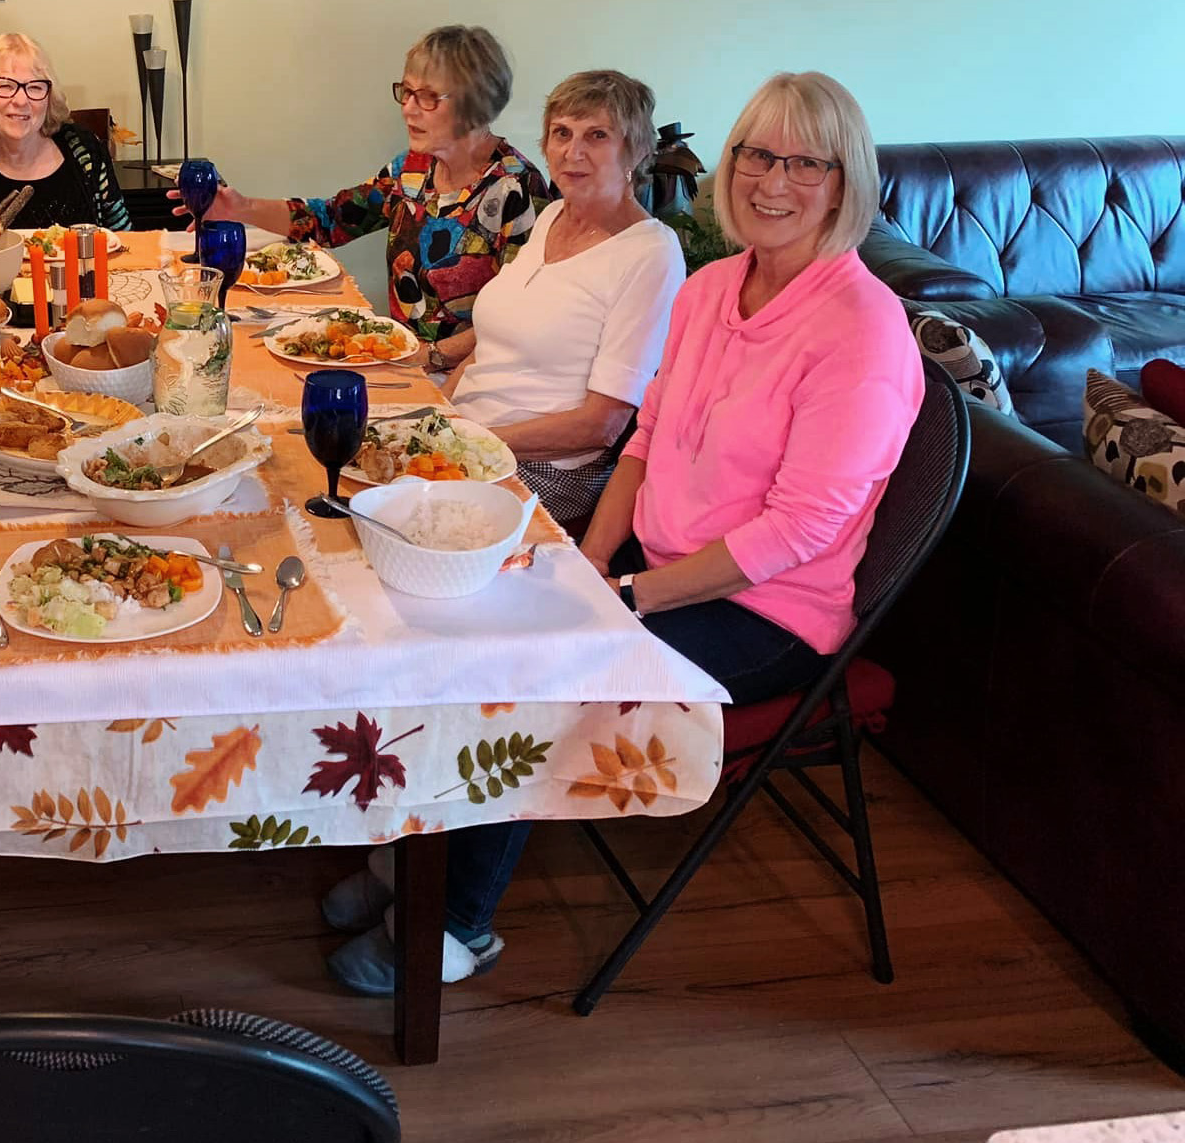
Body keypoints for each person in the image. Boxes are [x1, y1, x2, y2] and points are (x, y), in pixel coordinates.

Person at [322, 71, 926, 995]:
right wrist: (592, 559)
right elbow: (642, 442)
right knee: (470, 617)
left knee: (537, 669)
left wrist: (627, 599)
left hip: (767, 609)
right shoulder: (716, 288)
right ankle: (418, 849)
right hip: (651, 561)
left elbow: (799, 534)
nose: (773, 181)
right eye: (757, 154)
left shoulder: (863, 330)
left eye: (806, 163)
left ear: (845, 183)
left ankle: (457, 922)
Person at [184, 25, 545, 367]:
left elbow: (518, 316)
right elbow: (332, 220)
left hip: (468, 376)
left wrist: (432, 357)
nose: (408, 108)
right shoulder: (414, 169)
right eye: (406, 91)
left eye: (428, 97)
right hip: (404, 357)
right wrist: (240, 207)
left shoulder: (515, 188)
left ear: (475, 103)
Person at [444, 71, 685, 528]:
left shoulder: (650, 252)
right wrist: (440, 414)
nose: (572, 153)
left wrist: (470, 441)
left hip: (547, 469)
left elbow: (602, 425)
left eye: (597, 136)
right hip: (471, 433)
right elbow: (493, 345)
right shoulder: (553, 214)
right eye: (561, 133)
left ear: (634, 150)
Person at [0, 32, 132, 230]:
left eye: (35, 87)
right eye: (6, 86)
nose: (20, 101)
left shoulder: (85, 149)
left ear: (49, 97)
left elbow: (124, 238)